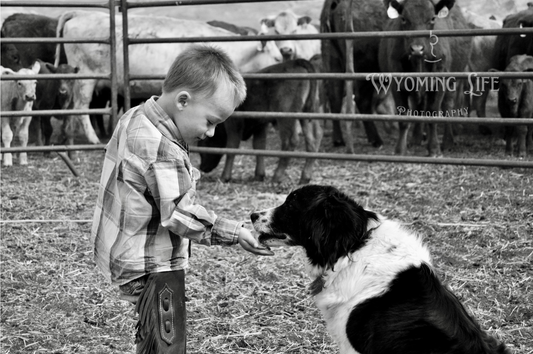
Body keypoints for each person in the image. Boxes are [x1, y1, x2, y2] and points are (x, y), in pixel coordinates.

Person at [91, 44, 273, 354]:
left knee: (152, 333)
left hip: (122, 247)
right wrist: (234, 231)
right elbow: (179, 213)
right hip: (152, 263)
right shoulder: (163, 148)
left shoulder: (134, 117)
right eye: (211, 121)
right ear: (183, 101)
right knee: (167, 341)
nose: (213, 132)